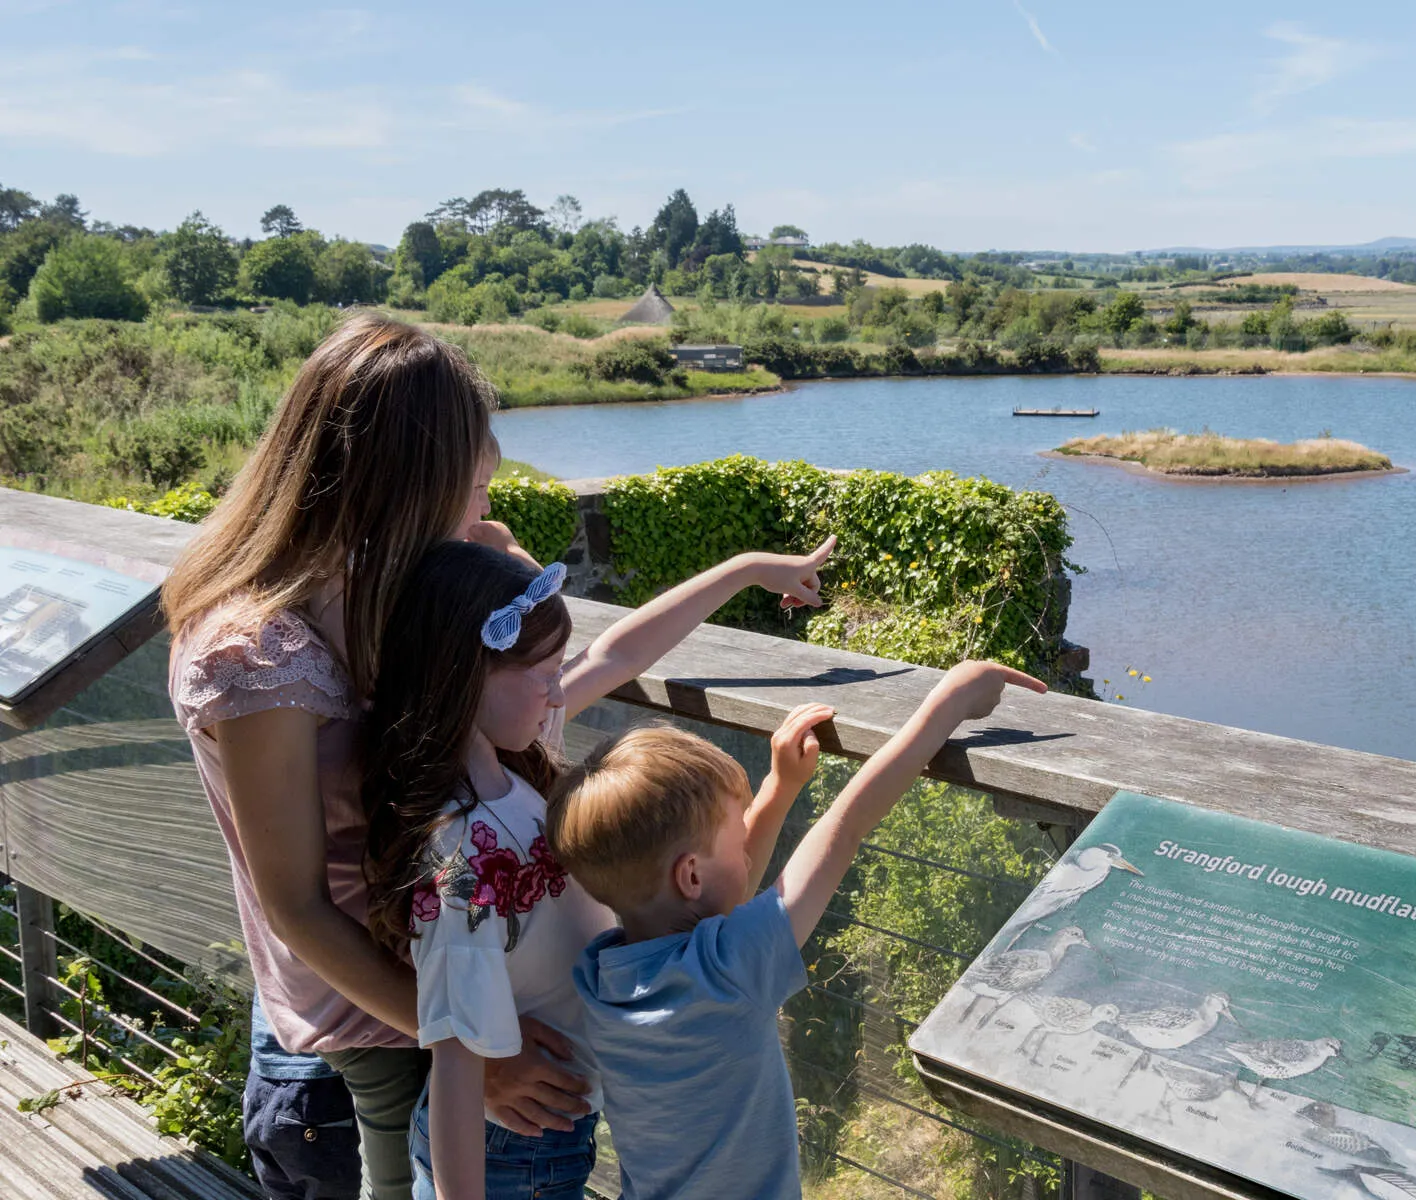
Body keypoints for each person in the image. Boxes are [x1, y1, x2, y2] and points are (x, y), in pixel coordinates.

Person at [165, 314, 588, 1200]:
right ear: (403, 482)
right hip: (380, 1023)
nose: (483, 509)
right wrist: (477, 1057)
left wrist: (483, 577)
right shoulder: (260, 656)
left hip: (423, 997)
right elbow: (298, 905)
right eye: (469, 486)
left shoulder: (362, 591)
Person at [360, 536, 835, 1200]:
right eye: (544, 672)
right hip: (508, 1154)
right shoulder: (462, 858)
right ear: (468, 674)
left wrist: (747, 568)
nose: (560, 690)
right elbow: (456, 1063)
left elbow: (621, 651)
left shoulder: (519, 776)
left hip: (541, 1139)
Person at [549, 658, 1046, 1199]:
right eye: (738, 840)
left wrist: (780, 788)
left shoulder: (605, 976)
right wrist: (951, 699)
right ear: (690, 874)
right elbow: (846, 823)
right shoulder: (728, 970)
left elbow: (717, 907)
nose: (747, 849)